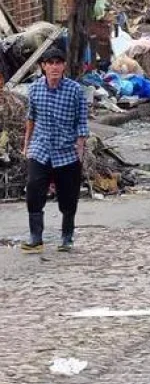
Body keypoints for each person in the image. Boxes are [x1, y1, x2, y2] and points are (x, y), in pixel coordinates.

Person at [21, 47, 89, 253]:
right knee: (33, 189)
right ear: (43, 66)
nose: (54, 67)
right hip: (40, 148)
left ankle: (67, 237)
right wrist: (26, 146)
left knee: (68, 196)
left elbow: (82, 123)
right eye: (50, 63)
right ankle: (36, 238)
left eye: (58, 63)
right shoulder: (34, 89)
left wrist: (80, 150)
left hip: (66, 150)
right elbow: (31, 119)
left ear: (64, 66)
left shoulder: (75, 90)